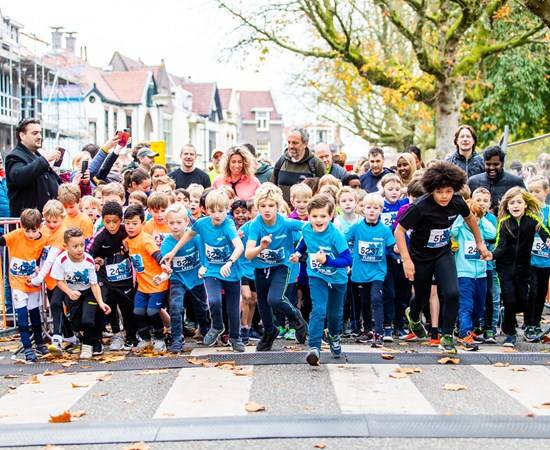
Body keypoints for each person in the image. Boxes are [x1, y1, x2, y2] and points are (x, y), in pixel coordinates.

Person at [394, 161, 491, 354]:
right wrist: (407, 260)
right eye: (439, 192)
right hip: (420, 256)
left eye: (448, 191)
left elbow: (470, 218)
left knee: (452, 292)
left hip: (442, 253)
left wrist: (480, 243)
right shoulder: (420, 207)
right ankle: (413, 316)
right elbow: (399, 230)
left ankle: (446, 336)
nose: (444, 196)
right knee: (421, 296)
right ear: (431, 190)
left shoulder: (456, 202)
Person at [162, 190, 245, 352]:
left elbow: (239, 246)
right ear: (206, 210)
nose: (217, 215)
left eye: (221, 210)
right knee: (213, 301)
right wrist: (173, 251)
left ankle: (235, 337)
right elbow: (188, 235)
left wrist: (230, 262)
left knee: (233, 308)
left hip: (231, 271)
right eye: (212, 211)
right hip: (211, 270)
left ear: (226, 209)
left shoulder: (228, 224)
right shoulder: (201, 223)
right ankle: (217, 326)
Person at [290, 194, 352, 366]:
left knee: (334, 313)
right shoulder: (307, 229)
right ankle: (314, 348)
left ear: (331, 216)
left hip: (337, 278)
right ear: (309, 216)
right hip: (316, 275)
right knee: (318, 309)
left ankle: (334, 335)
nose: (318, 220)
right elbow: (304, 242)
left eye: (323, 216)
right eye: (314, 216)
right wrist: (297, 253)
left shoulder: (335, 235)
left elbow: (348, 260)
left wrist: (328, 261)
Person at [245, 185, 308, 351]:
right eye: (263, 206)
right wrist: (261, 247)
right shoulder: (255, 225)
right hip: (260, 268)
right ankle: (269, 331)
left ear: (278, 207)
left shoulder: (285, 223)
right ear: (257, 207)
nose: (267, 210)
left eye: (271, 206)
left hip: (281, 267)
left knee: (274, 299)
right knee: (263, 303)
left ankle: (296, 317)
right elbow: (248, 254)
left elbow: (309, 228)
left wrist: (299, 251)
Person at [494, 187, 550, 347]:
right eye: (512, 203)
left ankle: (509, 316)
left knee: (525, 300)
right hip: (505, 268)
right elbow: (500, 245)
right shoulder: (504, 223)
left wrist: (548, 240)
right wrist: (491, 255)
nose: (515, 205)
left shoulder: (532, 220)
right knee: (510, 299)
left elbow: (545, 233)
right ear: (507, 205)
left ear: (526, 204)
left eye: (519, 202)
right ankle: (510, 333)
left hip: (524, 267)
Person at [51, 228, 111, 359]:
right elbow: (59, 281)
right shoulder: (61, 260)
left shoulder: (89, 260)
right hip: (73, 292)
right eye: (75, 246)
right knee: (76, 324)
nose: (79, 249)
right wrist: (69, 292)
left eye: (82, 245)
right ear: (66, 246)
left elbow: (94, 284)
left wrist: (101, 302)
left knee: (87, 320)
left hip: (88, 292)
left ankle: (88, 345)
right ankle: (83, 336)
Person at [157, 203, 210, 353]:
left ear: (186, 222)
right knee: (176, 307)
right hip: (177, 279)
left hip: (196, 278)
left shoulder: (194, 237)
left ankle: (205, 331)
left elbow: (204, 255)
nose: (175, 226)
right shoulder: (167, 243)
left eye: (179, 222)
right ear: (167, 223)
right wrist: (163, 274)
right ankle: (176, 338)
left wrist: (203, 267)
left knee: (201, 306)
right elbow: (166, 266)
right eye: (171, 223)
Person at [0, 209, 49, 362]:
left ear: (39, 227)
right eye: (26, 230)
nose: (29, 234)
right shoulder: (16, 235)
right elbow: (2, 240)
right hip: (17, 282)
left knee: (35, 313)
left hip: (32, 282)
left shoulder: (44, 239)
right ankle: (27, 347)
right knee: (21, 315)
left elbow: (45, 256)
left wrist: (39, 268)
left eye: (33, 231)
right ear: (21, 226)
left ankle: (39, 343)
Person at [347, 193, 395, 347]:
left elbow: (391, 247)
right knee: (364, 302)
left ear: (381, 210)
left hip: (377, 272)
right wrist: (348, 258)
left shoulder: (385, 229)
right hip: (360, 272)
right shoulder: (356, 227)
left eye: (375, 208)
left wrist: (398, 250)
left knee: (376, 299)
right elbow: (343, 239)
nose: (372, 211)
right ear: (363, 210)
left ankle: (379, 332)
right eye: (368, 208)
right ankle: (367, 330)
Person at [88, 202, 137, 351]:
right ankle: (116, 333)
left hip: (125, 277)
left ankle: (131, 335)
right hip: (106, 278)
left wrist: (127, 252)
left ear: (120, 220)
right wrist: (96, 260)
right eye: (107, 222)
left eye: (115, 222)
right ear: (102, 220)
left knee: (127, 306)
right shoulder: (100, 236)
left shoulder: (126, 231)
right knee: (110, 304)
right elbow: (88, 253)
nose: (111, 226)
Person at [123, 205, 170, 353]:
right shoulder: (127, 241)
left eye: (135, 223)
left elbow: (157, 254)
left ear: (142, 224)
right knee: (137, 312)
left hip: (157, 284)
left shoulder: (146, 240)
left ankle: (160, 338)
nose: (130, 227)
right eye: (128, 223)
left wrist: (164, 267)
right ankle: (145, 339)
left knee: (152, 312)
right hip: (143, 286)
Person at [451, 199, 496, 345]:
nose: (474, 219)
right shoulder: (461, 231)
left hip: (481, 273)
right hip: (464, 273)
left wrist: (481, 220)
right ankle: (465, 332)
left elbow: (492, 233)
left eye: (477, 215)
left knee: (479, 305)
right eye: (471, 215)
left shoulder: (482, 227)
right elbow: (452, 231)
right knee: (466, 305)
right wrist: (461, 216)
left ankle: (472, 329)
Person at [6, 118, 61, 216]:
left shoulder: (38, 156)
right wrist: (44, 160)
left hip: (46, 222)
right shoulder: (14, 156)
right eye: (35, 133)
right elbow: (20, 177)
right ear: (22, 135)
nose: (40, 136)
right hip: (28, 225)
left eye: (40, 133)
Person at [272, 128, 325, 203]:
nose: (290, 146)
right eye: (289, 142)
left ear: (305, 143)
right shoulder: (281, 161)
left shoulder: (316, 164)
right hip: (283, 212)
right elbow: (273, 186)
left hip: (306, 212)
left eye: (295, 143)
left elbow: (322, 192)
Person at [526, 176, 550, 341]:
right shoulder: (527, 210)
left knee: (541, 292)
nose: (534, 194)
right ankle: (529, 323)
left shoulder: (548, 211)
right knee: (532, 291)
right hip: (529, 259)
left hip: (546, 260)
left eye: (537, 191)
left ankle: (536, 322)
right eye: (531, 191)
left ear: (546, 191)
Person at [468, 146, 525, 214]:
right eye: (488, 164)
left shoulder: (515, 182)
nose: (491, 167)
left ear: (502, 163)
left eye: (496, 164)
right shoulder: (473, 182)